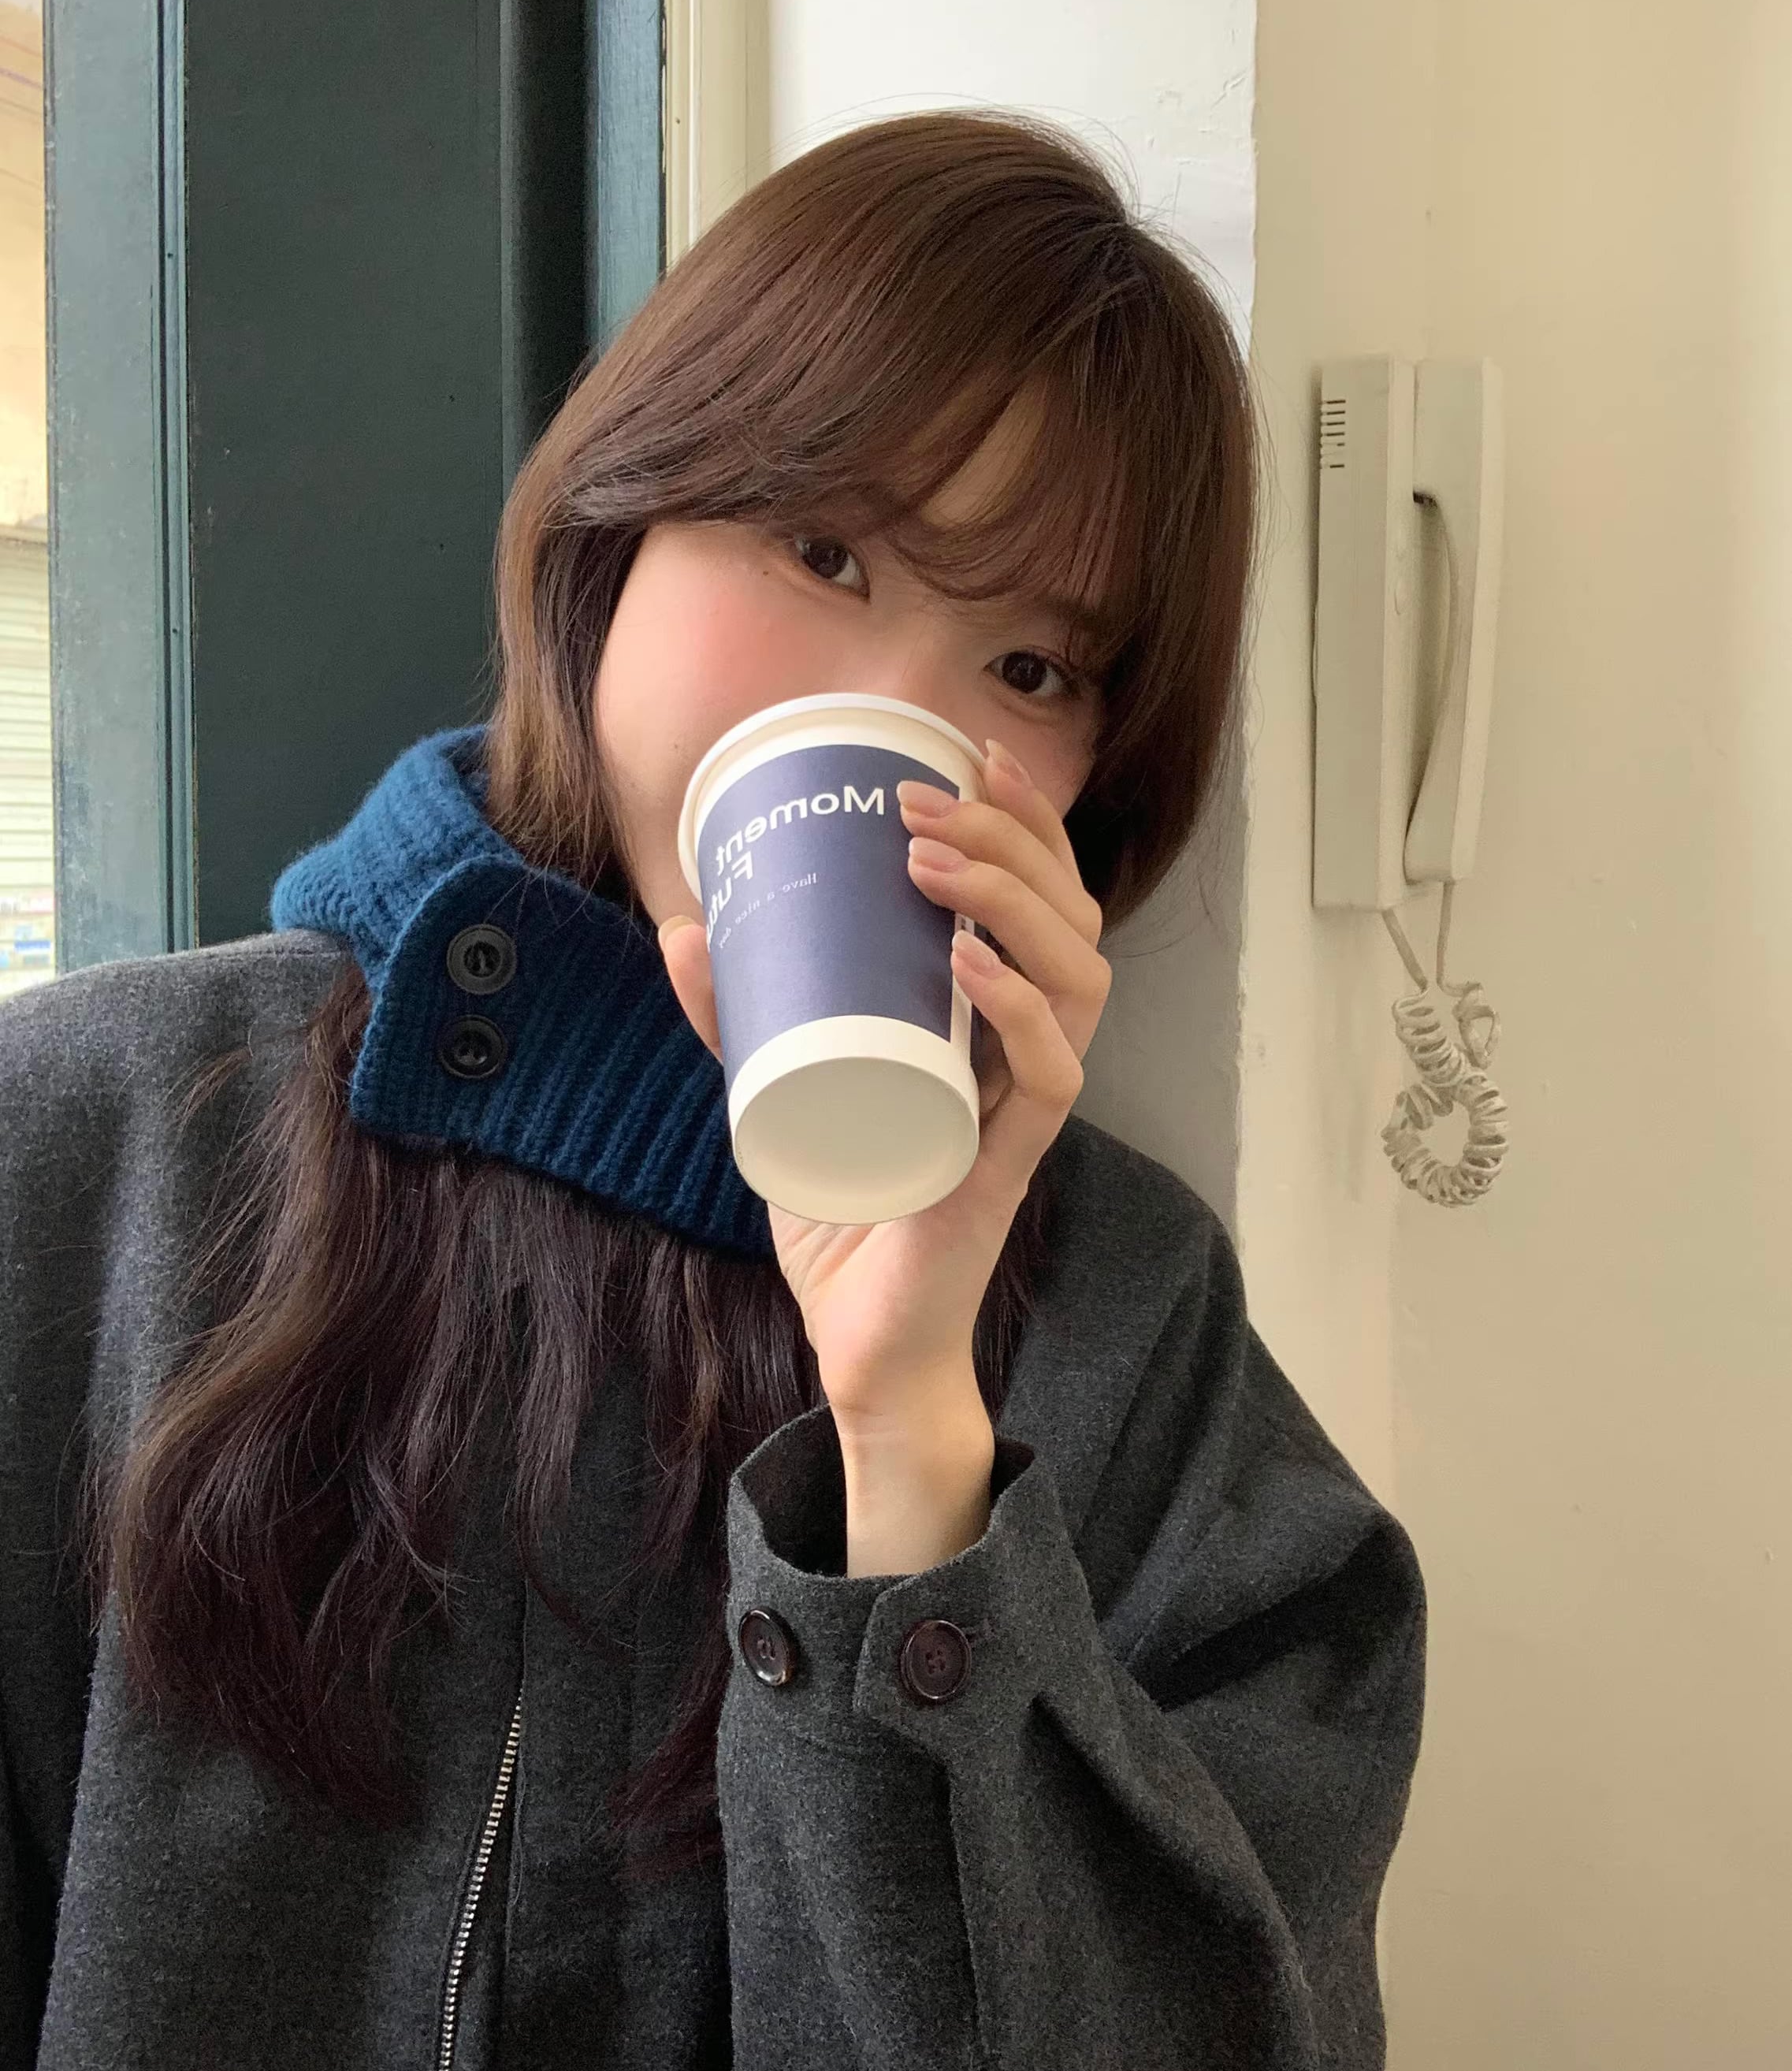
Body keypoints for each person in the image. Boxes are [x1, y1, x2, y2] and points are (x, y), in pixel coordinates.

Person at [0, 108, 1426, 2069]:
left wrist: (914, 1460)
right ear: (617, 530)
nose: (905, 716)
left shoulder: (1133, 1320)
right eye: (826, 551)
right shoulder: (82, 1148)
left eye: (1032, 671)